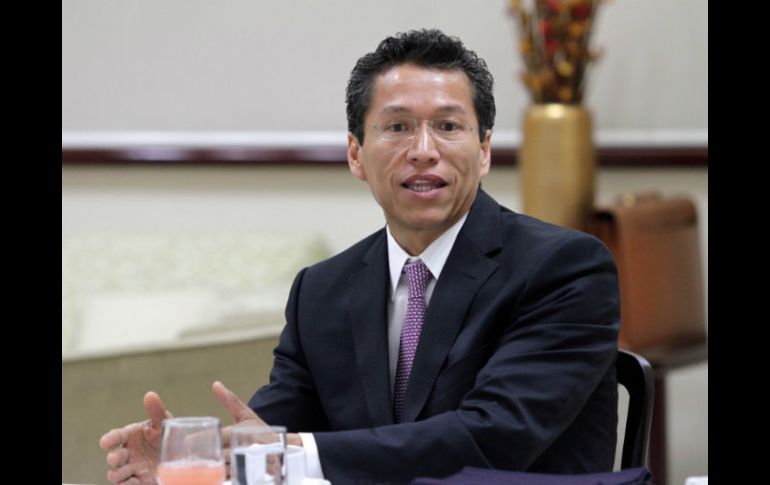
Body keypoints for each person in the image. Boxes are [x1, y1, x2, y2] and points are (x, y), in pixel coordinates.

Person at [100, 28, 620, 485]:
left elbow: (492, 438)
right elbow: (270, 434)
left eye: (448, 126)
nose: (424, 150)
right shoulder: (321, 290)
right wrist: (196, 459)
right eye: (397, 127)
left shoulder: (564, 269)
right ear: (356, 154)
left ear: (483, 151)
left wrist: (290, 451)